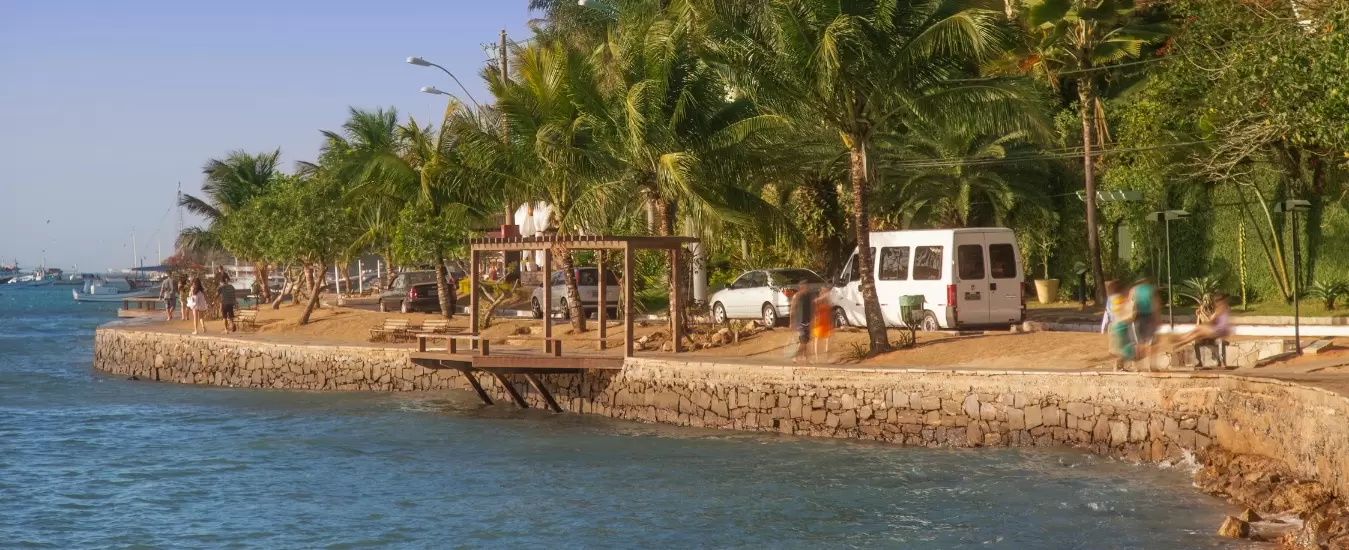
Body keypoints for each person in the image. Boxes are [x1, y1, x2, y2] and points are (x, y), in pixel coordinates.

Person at [1173, 294, 1232, 366]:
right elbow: (1199, 324)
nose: (1207, 302)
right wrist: (1200, 314)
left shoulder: (1218, 310)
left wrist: (1202, 313)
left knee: (1218, 339)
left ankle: (1221, 361)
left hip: (1215, 333)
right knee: (1196, 338)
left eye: (1209, 300)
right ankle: (1198, 361)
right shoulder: (1208, 310)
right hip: (1209, 333)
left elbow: (1210, 322)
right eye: (1205, 300)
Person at [1101, 281, 1136, 371]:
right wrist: (1129, 299)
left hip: (1114, 324)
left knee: (1119, 347)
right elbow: (1121, 310)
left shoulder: (1110, 298)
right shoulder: (1118, 298)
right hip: (1120, 325)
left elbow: (1107, 312)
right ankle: (1121, 367)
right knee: (1124, 347)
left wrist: (1104, 326)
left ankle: (1118, 367)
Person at [1129, 278, 1162, 370]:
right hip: (1150, 317)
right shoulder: (1151, 289)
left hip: (1136, 318)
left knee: (1138, 343)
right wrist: (1158, 319)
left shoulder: (1133, 290)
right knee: (1152, 343)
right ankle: (1152, 366)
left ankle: (1137, 366)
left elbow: (1129, 304)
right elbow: (1155, 305)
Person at [789, 280, 816, 363]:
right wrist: (791, 322)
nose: (806, 287)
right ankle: (796, 356)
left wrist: (813, 319)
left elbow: (812, 308)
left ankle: (805, 358)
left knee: (806, 341)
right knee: (803, 340)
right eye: (804, 286)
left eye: (806, 285)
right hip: (799, 322)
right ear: (800, 286)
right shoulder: (796, 296)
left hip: (808, 321)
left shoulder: (809, 296)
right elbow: (792, 310)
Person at [812, 290, 832, 362]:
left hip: (826, 323)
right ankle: (817, 357)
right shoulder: (818, 301)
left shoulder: (827, 302)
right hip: (819, 324)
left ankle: (826, 357)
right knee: (817, 341)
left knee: (826, 341)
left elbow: (829, 313)